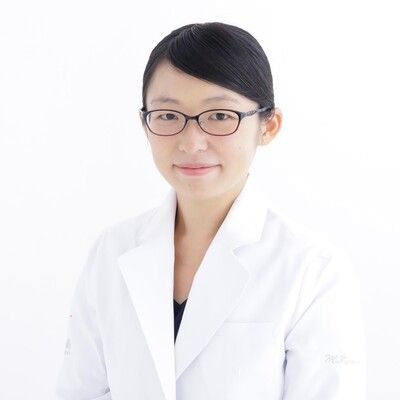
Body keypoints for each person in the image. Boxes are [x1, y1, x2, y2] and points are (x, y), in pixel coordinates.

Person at [55, 22, 367, 400]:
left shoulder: (312, 270)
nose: (192, 142)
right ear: (145, 123)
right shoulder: (111, 252)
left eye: (219, 116)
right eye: (168, 115)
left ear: (268, 126)